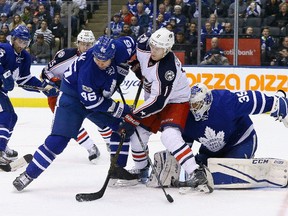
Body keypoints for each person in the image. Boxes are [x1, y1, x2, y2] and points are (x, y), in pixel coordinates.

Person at [13, 35, 137, 191]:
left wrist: (138, 64)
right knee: (58, 141)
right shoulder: (89, 71)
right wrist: (121, 109)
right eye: (97, 58)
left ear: (113, 55)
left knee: (123, 127)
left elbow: (134, 44)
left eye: (103, 60)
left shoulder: (120, 48)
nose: (99, 62)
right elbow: (92, 102)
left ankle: (117, 170)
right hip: (72, 100)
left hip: (95, 98)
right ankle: (28, 175)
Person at [118, 28, 214, 193]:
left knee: (169, 136)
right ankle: (141, 169)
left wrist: (133, 116)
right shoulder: (143, 43)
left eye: (158, 49)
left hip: (175, 102)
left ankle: (196, 172)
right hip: (154, 99)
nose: (153, 50)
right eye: (152, 46)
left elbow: (158, 102)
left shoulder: (167, 70)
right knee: (137, 135)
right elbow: (130, 48)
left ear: (167, 50)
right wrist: (134, 64)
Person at [40, 30, 102, 163]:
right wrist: (54, 82)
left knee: (101, 117)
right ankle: (91, 147)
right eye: (83, 44)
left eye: (89, 44)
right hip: (61, 96)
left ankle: (110, 142)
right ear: (77, 43)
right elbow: (46, 72)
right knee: (68, 124)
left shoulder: (98, 59)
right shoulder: (65, 55)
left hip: (84, 95)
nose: (86, 47)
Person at [0, 25, 57, 165]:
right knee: (7, 114)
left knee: (12, 117)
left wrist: (43, 87)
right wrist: (5, 75)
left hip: (1, 91)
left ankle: (2, 145)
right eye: (20, 41)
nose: (22, 45)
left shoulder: (25, 57)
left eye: (25, 42)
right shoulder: (4, 49)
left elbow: (24, 79)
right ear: (13, 39)